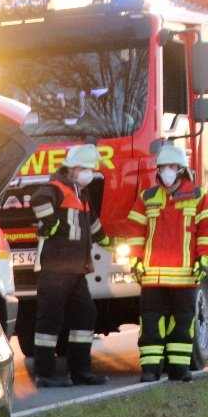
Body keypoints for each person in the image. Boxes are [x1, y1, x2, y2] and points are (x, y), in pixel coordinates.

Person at [123, 144, 208, 382]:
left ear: (181, 169)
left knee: (183, 322)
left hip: (185, 275)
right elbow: (135, 232)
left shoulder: (198, 197)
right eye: (162, 167)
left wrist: (203, 259)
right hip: (152, 276)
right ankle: (150, 369)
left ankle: (179, 369)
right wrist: (135, 260)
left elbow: (205, 232)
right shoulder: (147, 197)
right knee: (151, 323)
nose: (166, 171)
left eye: (171, 166)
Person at [29, 143, 109, 387]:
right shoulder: (56, 188)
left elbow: (91, 223)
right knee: (50, 320)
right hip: (56, 269)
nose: (89, 173)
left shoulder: (80, 194)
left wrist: (106, 240)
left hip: (75, 269)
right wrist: (51, 224)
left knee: (86, 315)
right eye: (85, 169)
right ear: (72, 169)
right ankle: (45, 373)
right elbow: (38, 200)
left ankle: (80, 370)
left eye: (90, 169)